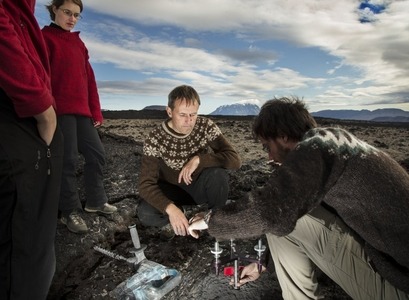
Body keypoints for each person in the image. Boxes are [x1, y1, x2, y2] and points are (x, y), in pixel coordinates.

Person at [189, 97, 409, 300]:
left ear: (283, 135)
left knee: (280, 216)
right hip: (395, 262)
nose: (269, 157)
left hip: (401, 284)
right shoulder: (337, 144)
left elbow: (271, 210)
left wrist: (210, 219)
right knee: (290, 214)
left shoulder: (318, 146)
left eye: (268, 147)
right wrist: (262, 263)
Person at [0, 0, 64, 299]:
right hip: (17, 115)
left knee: (33, 239)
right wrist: (43, 108)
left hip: (28, 115)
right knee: (23, 240)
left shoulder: (21, 10)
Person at [42, 0, 117, 234]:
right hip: (59, 112)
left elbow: (89, 79)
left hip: (82, 112)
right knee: (68, 161)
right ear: (54, 9)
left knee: (97, 155)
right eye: (67, 12)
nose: (72, 18)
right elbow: (41, 76)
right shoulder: (43, 38)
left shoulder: (78, 43)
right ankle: (70, 211)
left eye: (76, 15)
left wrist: (96, 110)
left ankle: (95, 201)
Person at [138, 85, 241, 240]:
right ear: (169, 111)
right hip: (173, 191)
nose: (189, 121)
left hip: (200, 187)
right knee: (145, 212)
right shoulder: (155, 138)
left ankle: (213, 219)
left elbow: (235, 161)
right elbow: (145, 184)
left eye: (193, 114)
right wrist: (171, 209)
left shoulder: (205, 126)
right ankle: (183, 217)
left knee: (218, 175)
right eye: (182, 115)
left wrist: (200, 159)